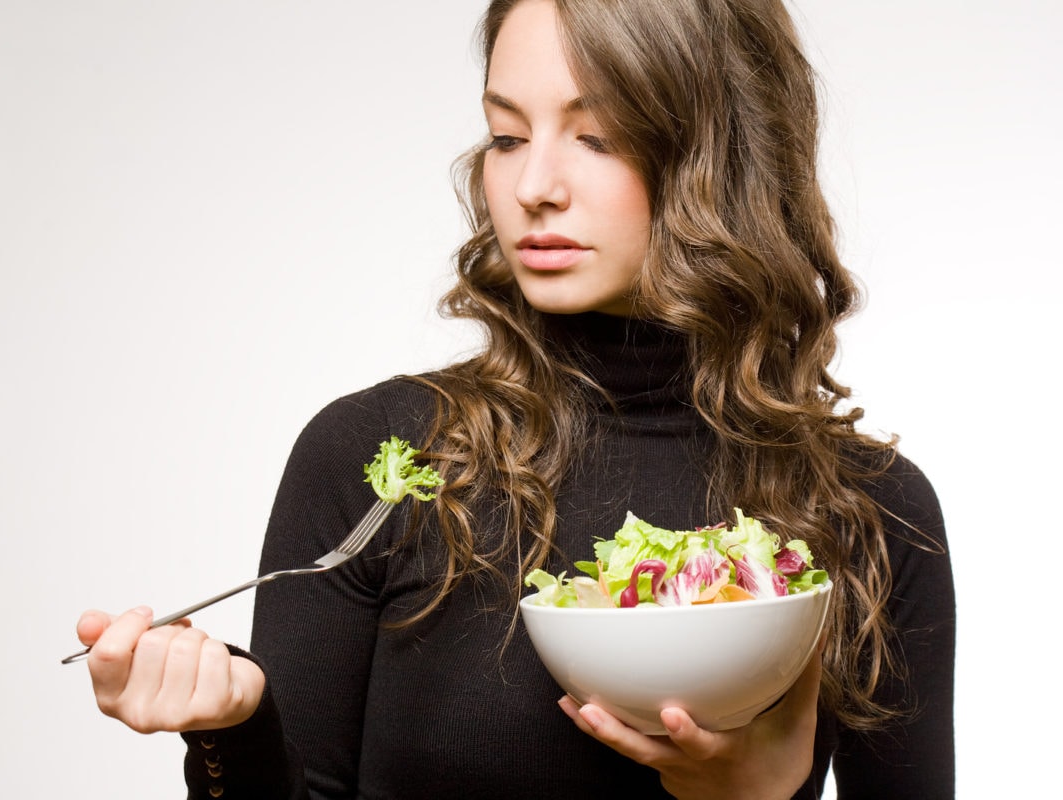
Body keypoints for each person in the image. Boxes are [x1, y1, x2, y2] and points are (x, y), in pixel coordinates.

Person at [75, 0, 955, 797]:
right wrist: (232, 732)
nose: (534, 186)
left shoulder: (872, 511)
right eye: (505, 137)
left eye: (598, 135)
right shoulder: (383, 462)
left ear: (724, 153)